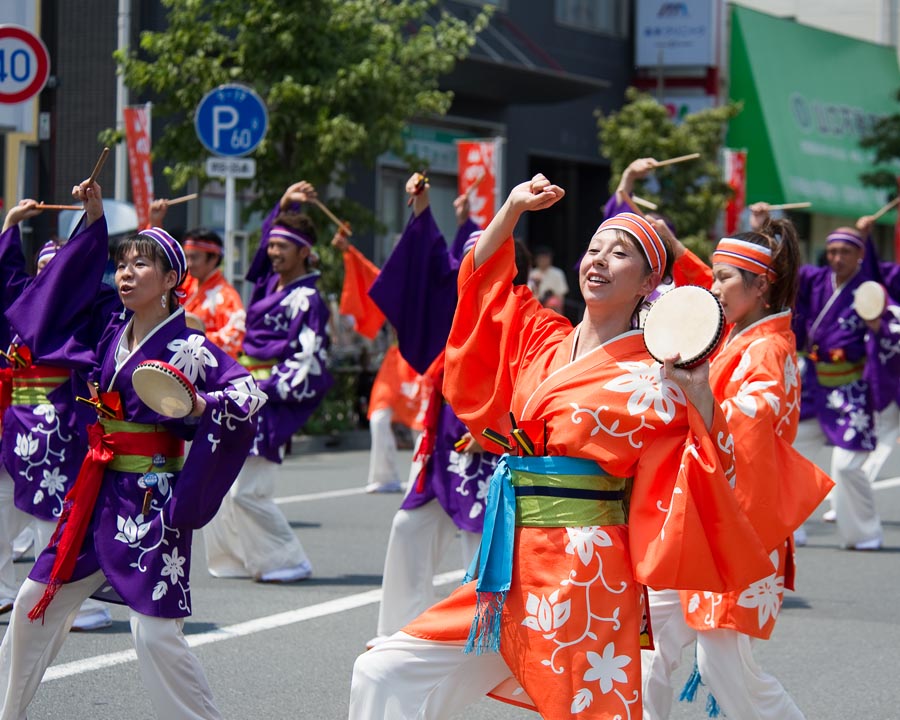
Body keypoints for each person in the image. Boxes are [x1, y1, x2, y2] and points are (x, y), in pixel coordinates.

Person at [349, 175, 773, 719]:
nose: (598, 260)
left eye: (620, 254)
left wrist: (698, 392)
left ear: (650, 283)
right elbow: (482, 284)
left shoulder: (657, 376)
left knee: (586, 710)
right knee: (384, 668)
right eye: (594, 248)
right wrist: (511, 209)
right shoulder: (541, 334)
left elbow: (715, 464)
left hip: (585, 568)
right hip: (509, 561)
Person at [0, 180, 266, 719]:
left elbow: (247, 393)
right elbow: (63, 293)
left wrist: (199, 406)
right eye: (121, 264)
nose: (125, 273)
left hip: (150, 499)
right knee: (33, 605)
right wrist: (93, 218)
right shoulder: (108, 331)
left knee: (154, 634)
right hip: (96, 490)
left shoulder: (190, 347)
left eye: (141, 266)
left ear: (172, 280)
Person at [641, 219, 833, 719]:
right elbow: (713, 284)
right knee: (645, 645)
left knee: (728, 673)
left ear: (760, 286)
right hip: (709, 518)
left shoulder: (767, 349)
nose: (712, 286)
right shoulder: (741, 332)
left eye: (724, 278)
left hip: (734, 528)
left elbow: (744, 433)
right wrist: (677, 246)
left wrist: (696, 395)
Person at [359, 175, 501, 647]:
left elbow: (537, 387)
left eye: (482, 261)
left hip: (491, 450)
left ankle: (489, 640)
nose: (470, 271)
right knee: (409, 526)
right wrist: (422, 210)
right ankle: (400, 630)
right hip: (443, 446)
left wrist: (499, 431)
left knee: (478, 547)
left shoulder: (518, 315)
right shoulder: (454, 312)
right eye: (467, 264)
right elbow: (431, 270)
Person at [203, 181, 333, 583]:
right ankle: (238, 558)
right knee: (220, 481)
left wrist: (265, 390)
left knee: (248, 491)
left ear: (304, 253)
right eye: (273, 245)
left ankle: (288, 559)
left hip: (267, 397)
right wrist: (285, 202)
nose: (273, 252)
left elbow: (307, 359)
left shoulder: (308, 300)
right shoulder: (266, 285)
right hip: (242, 388)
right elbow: (260, 249)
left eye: (283, 247)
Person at [751, 204, 900, 550]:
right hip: (816, 385)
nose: (837, 258)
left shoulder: (869, 287)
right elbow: (784, 269)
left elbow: (890, 327)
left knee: (848, 466)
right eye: (832, 251)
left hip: (851, 389)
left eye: (846, 251)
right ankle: (790, 527)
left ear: (860, 254)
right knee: (785, 450)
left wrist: (877, 326)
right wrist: (761, 227)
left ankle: (864, 532)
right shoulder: (817, 281)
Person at [0, 201, 115, 632]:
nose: (50, 278)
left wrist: (92, 217)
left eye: (61, 271)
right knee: (2, 507)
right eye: (44, 269)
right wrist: (11, 224)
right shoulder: (23, 304)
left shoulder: (81, 312)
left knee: (56, 511)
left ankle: (70, 602)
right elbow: (7, 277)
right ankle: (4, 592)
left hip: (58, 419)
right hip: (15, 419)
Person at [529, 245, 568, 311]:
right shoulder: (531, 274)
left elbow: (561, 296)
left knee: (553, 302)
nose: (544, 260)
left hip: (552, 306)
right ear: (536, 259)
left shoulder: (558, 273)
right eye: (541, 258)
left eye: (546, 258)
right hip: (536, 304)